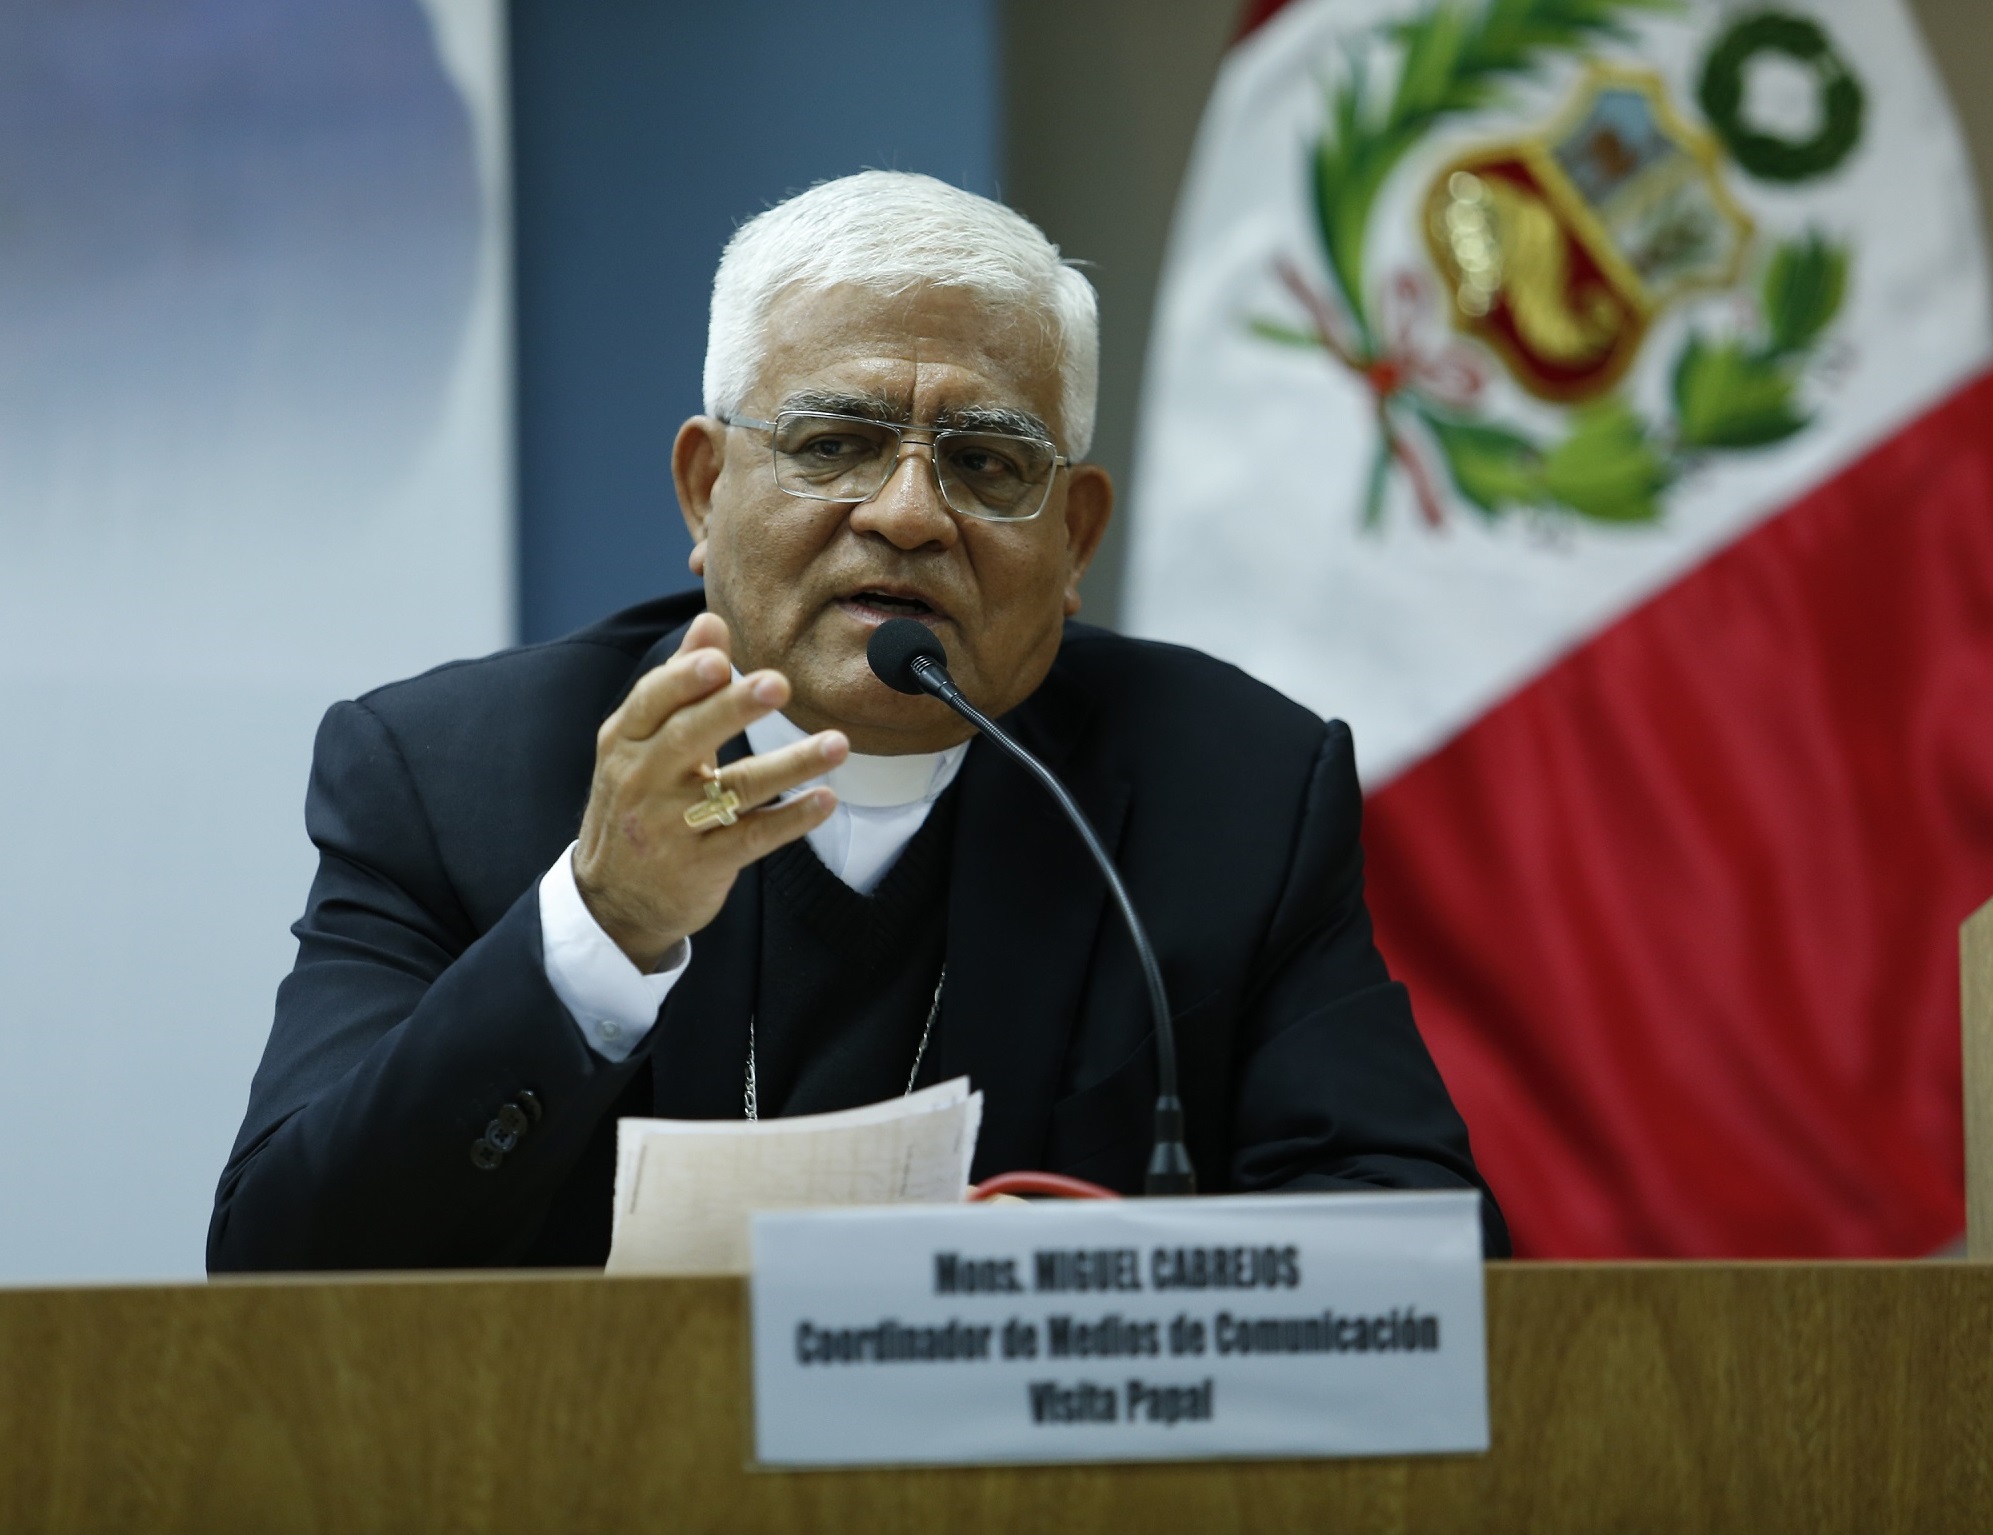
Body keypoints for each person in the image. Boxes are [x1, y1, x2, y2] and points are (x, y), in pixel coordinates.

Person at [208, 172, 1507, 1270]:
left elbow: (1421, 1254)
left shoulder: (1226, 791)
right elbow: (285, 1261)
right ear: (705, 490)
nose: (905, 512)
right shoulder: (452, 779)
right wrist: (599, 931)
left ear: (1073, 539)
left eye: (987, 463)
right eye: (834, 442)